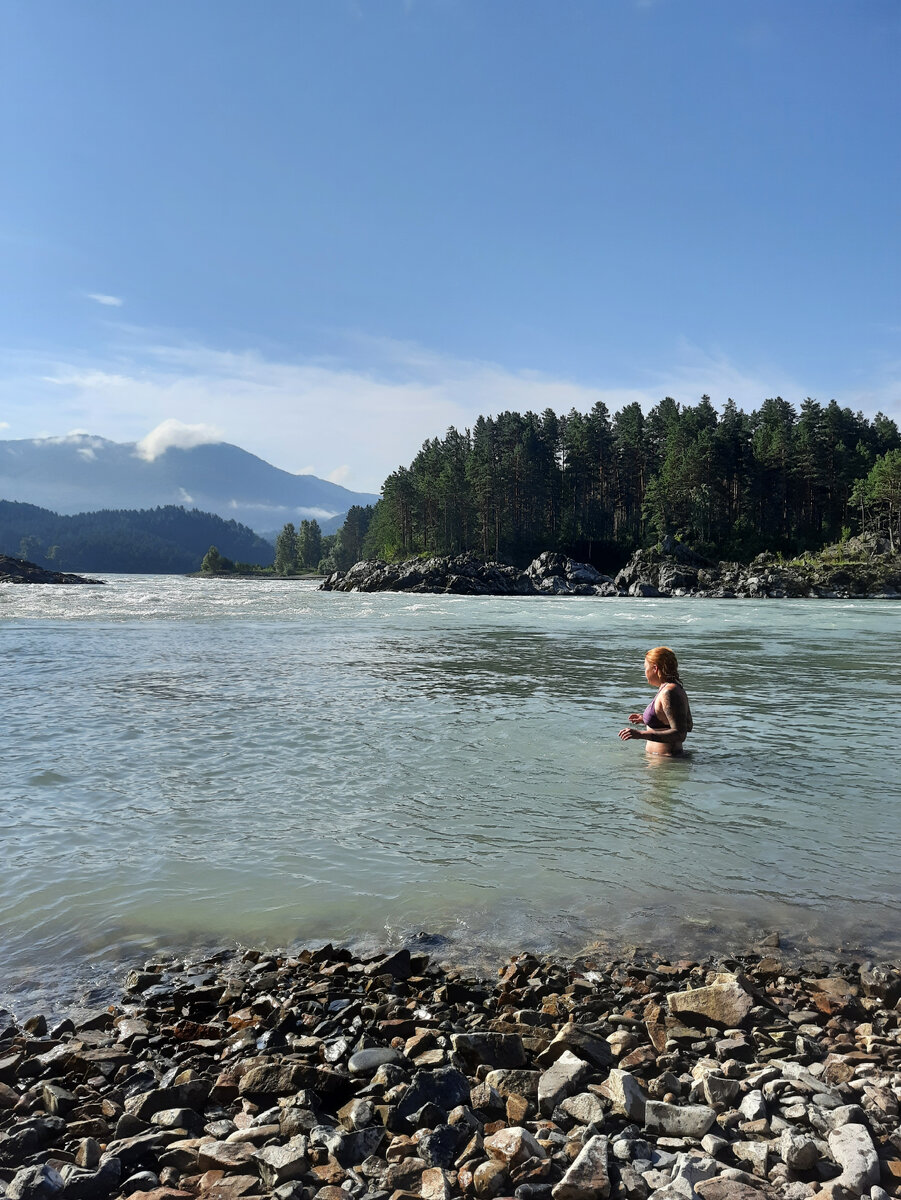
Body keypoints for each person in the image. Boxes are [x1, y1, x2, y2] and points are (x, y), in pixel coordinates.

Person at [618, 646, 693, 756]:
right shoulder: (672, 688)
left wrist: (640, 734)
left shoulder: (669, 692)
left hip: (667, 762)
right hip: (661, 761)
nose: (645, 672)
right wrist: (647, 719)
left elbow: (680, 734)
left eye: (645, 668)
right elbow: (687, 724)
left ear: (655, 668)